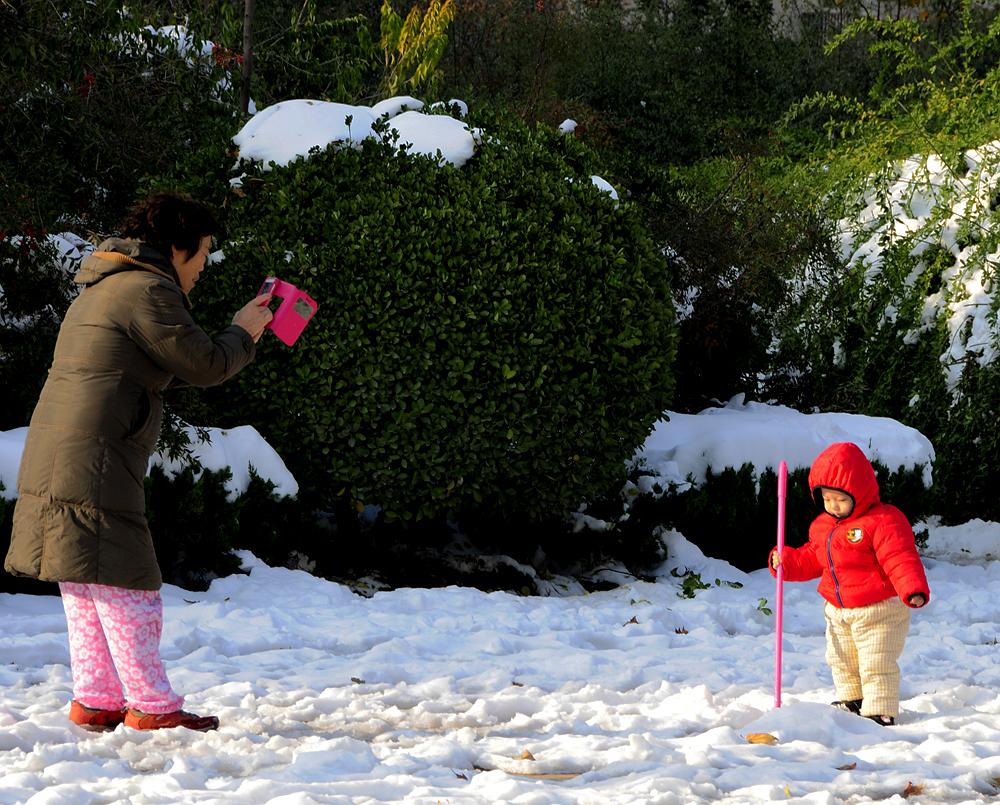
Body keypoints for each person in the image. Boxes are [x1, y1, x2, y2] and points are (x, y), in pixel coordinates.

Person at [4, 192, 273, 732]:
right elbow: (205, 363)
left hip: (63, 448)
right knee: (132, 582)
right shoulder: (147, 289)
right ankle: (152, 706)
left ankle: (96, 699)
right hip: (95, 454)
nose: (203, 266)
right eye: (201, 253)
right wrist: (246, 329)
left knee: (83, 577)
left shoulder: (108, 285)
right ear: (178, 247)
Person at [769, 441, 929, 726]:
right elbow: (812, 558)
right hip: (839, 610)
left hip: (879, 609)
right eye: (827, 499)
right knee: (841, 658)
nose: (833, 506)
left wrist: (912, 588)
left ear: (859, 491)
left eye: (840, 499)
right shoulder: (823, 525)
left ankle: (880, 709)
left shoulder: (883, 520)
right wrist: (787, 562)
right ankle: (852, 698)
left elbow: (899, 556)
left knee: (875, 660)